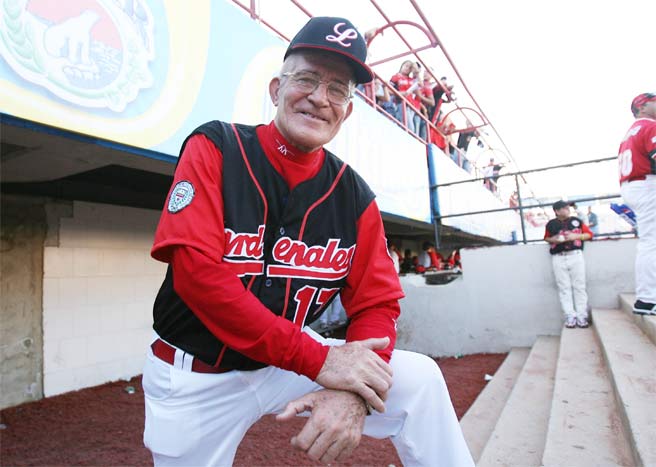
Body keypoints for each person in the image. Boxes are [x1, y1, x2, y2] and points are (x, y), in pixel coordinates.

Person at [142, 16, 473, 467]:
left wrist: (355, 390)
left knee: (421, 381)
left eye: (338, 89)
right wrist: (321, 362)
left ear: (347, 110)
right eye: (307, 79)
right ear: (277, 89)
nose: (320, 98)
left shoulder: (353, 195)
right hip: (196, 372)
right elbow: (197, 276)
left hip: (286, 363)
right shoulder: (216, 146)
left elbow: (377, 304)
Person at [618, 92, 656, 315]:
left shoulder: (630, 132)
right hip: (647, 184)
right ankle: (648, 299)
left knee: (650, 241)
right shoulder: (649, 126)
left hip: (634, 185)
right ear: (642, 106)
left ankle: (648, 297)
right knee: (651, 242)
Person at [544, 200, 594, 328]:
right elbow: (546, 238)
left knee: (579, 286)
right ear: (557, 211)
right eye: (564, 208)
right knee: (564, 287)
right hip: (558, 256)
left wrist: (575, 237)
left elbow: (589, 234)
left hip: (575, 255)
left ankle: (581, 316)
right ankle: (570, 315)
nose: (567, 210)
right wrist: (553, 239)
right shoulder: (551, 224)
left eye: (567, 208)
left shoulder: (576, 221)